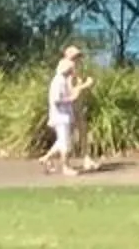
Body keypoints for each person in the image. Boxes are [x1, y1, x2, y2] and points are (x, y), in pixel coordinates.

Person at [42, 46, 87, 177]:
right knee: (65, 142)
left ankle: (46, 159)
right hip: (60, 116)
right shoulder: (59, 81)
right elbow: (57, 100)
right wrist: (71, 98)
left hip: (65, 115)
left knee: (63, 141)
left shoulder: (63, 80)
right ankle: (65, 167)